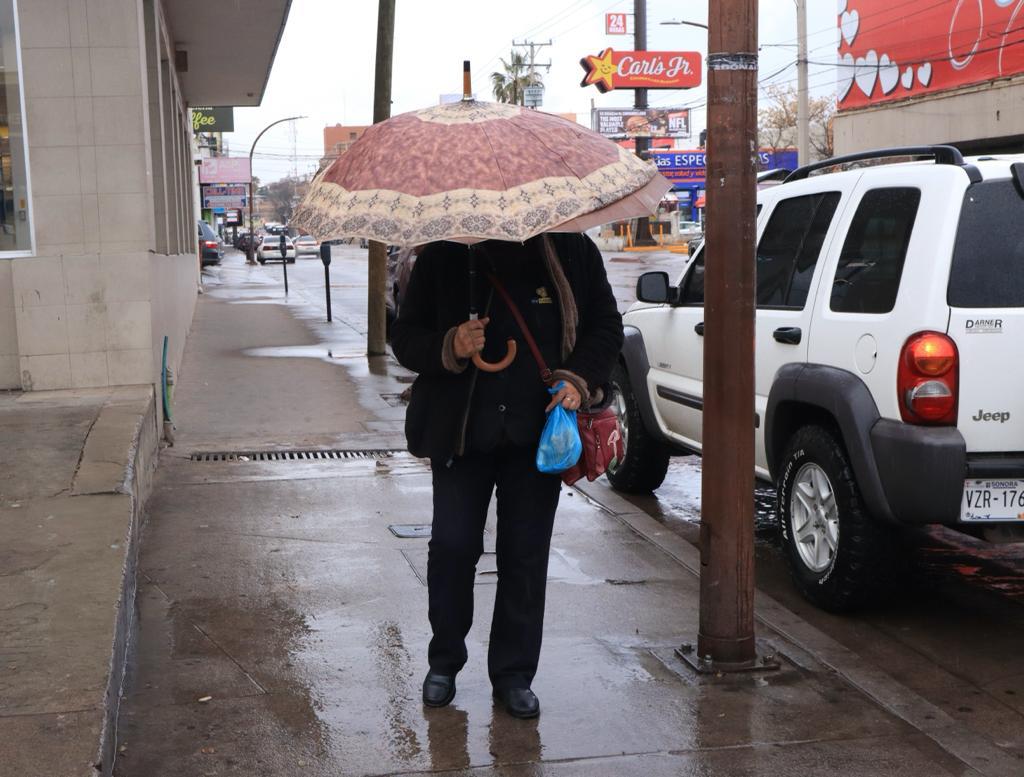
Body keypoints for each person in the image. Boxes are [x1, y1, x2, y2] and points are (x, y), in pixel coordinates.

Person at [391, 232, 623, 719]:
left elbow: (605, 325)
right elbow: (406, 337)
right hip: (461, 434)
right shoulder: (443, 254)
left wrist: (578, 379)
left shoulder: (570, 250)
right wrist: (449, 344)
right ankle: (445, 660)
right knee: (453, 547)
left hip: (536, 436)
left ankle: (514, 674)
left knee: (525, 554)